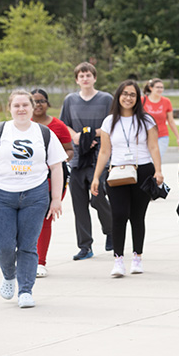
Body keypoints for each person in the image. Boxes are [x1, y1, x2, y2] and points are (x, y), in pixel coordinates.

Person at [0, 90, 67, 308]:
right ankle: (8, 275)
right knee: (3, 243)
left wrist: (56, 199)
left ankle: (26, 290)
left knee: (27, 245)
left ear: (33, 107)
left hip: (35, 195)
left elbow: (56, 166)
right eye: (17, 105)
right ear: (10, 108)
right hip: (2, 195)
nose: (21, 109)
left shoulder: (44, 133)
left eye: (26, 105)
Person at [91, 81, 163, 277]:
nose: (128, 98)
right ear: (118, 96)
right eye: (124, 94)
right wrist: (97, 176)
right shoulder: (109, 122)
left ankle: (137, 257)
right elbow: (105, 151)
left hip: (143, 171)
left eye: (132, 94)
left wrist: (158, 170)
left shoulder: (146, 120)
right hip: (117, 172)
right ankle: (118, 260)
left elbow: (154, 147)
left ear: (137, 98)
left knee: (137, 216)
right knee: (119, 215)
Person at [59, 62, 113, 259]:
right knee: (79, 204)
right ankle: (85, 246)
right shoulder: (70, 100)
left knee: (98, 197)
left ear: (94, 77)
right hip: (77, 158)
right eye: (81, 76)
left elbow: (112, 123)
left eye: (88, 75)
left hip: (99, 156)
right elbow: (64, 124)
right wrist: (77, 137)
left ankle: (111, 230)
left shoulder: (106, 99)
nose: (85, 78)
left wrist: (91, 135)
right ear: (76, 79)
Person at [30, 89, 73, 278]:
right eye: (34, 101)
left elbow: (69, 150)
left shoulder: (58, 125)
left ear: (48, 103)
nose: (38, 105)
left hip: (52, 178)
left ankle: (40, 262)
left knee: (45, 219)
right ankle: (25, 257)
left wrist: (57, 161)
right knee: (25, 221)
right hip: (25, 177)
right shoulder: (22, 126)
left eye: (42, 101)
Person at [143, 78, 179, 157]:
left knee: (157, 158)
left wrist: (178, 138)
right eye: (157, 87)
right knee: (147, 160)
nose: (160, 89)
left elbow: (171, 121)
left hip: (162, 136)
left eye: (161, 87)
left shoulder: (166, 101)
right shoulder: (143, 100)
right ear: (151, 88)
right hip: (146, 136)